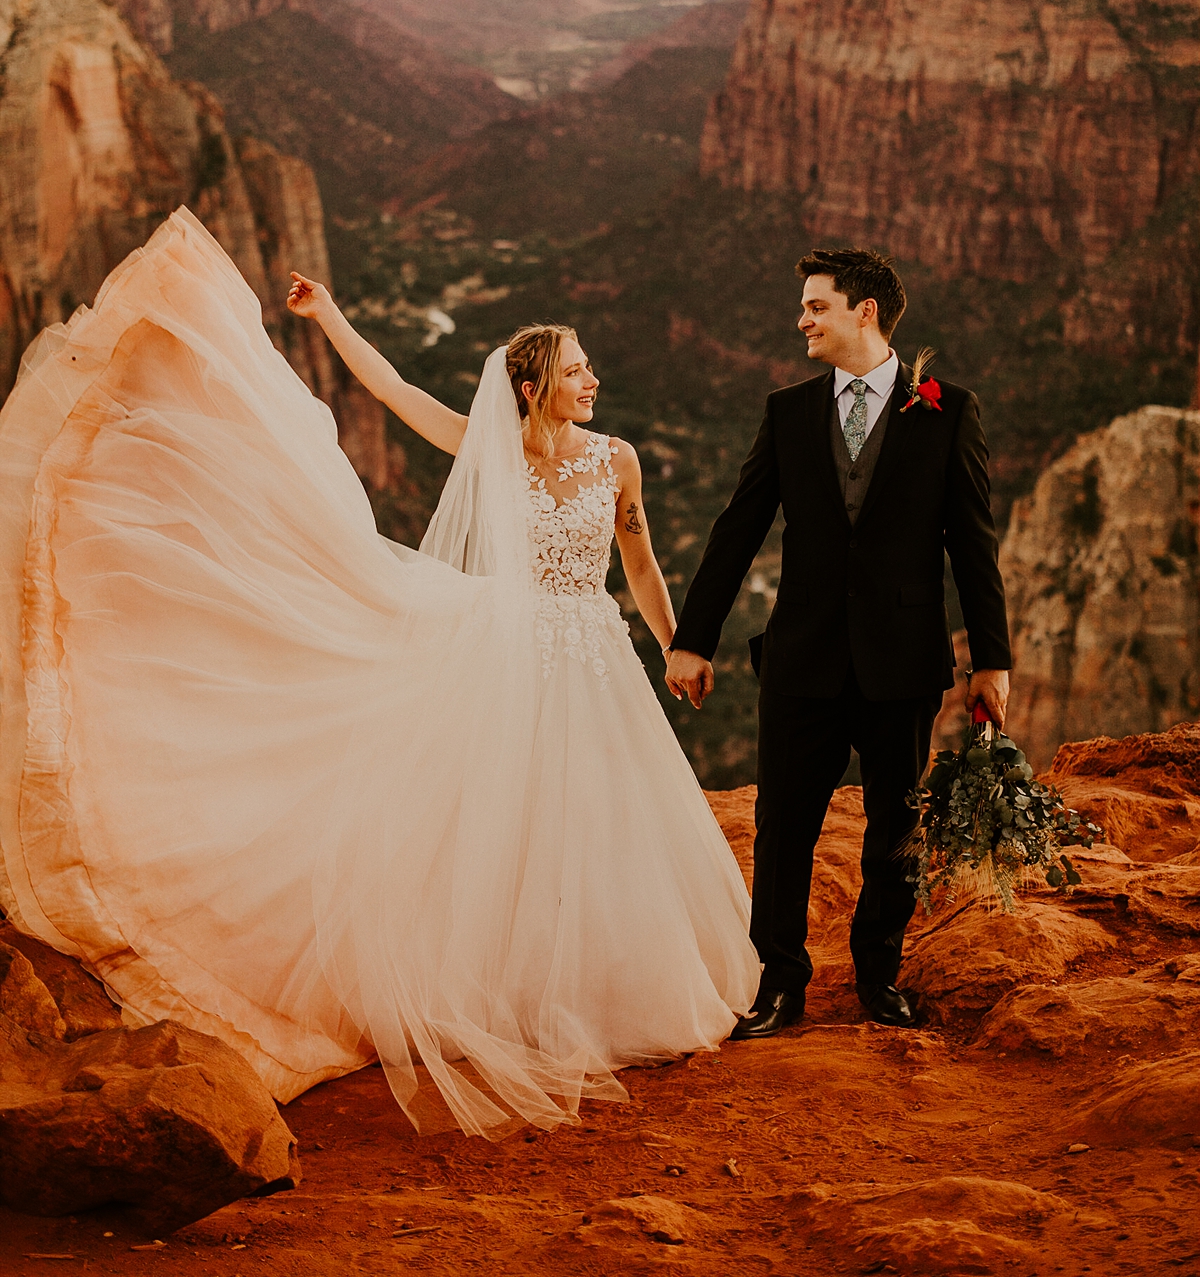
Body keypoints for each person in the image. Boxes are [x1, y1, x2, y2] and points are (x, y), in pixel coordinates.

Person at [0, 208, 757, 1137]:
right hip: (506, 656)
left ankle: (612, 982)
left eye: (589, 366)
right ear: (533, 386)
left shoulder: (618, 460)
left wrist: (677, 641)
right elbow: (395, 390)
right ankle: (511, 989)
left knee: (598, 815)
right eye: (577, 368)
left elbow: (637, 561)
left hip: (593, 655)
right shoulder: (492, 451)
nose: (594, 378)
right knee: (504, 819)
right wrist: (329, 317)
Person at [666, 247, 1011, 1038]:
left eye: (817, 305)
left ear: (865, 311)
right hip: (802, 658)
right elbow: (738, 526)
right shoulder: (788, 410)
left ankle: (877, 978)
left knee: (896, 828)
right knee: (785, 826)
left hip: (905, 661)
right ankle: (778, 984)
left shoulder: (948, 409)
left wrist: (991, 659)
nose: (802, 320)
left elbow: (975, 542)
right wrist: (694, 639)